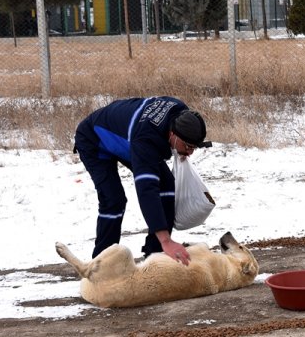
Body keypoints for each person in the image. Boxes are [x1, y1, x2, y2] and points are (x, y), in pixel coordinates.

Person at [73, 96, 210, 265]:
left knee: (166, 184)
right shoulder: (146, 141)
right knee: (113, 199)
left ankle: (155, 253)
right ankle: (102, 263)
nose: (190, 153)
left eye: (194, 147)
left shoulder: (180, 111)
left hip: (129, 134)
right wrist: (167, 240)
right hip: (94, 139)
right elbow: (147, 191)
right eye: (188, 147)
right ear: (173, 134)